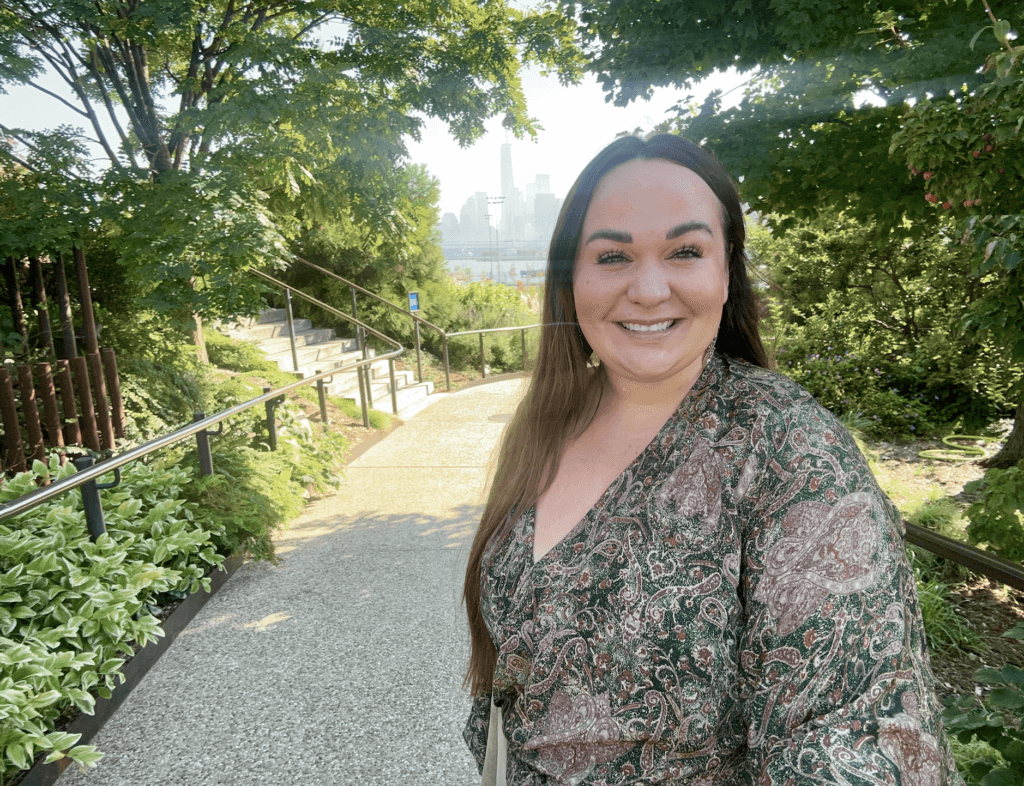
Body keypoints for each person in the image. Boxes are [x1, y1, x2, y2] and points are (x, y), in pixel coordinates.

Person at [462, 133, 962, 786]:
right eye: (612, 255)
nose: (647, 288)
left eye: (685, 251)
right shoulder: (546, 424)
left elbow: (852, 732)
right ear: (570, 278)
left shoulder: (789, 453)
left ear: (726, 270)